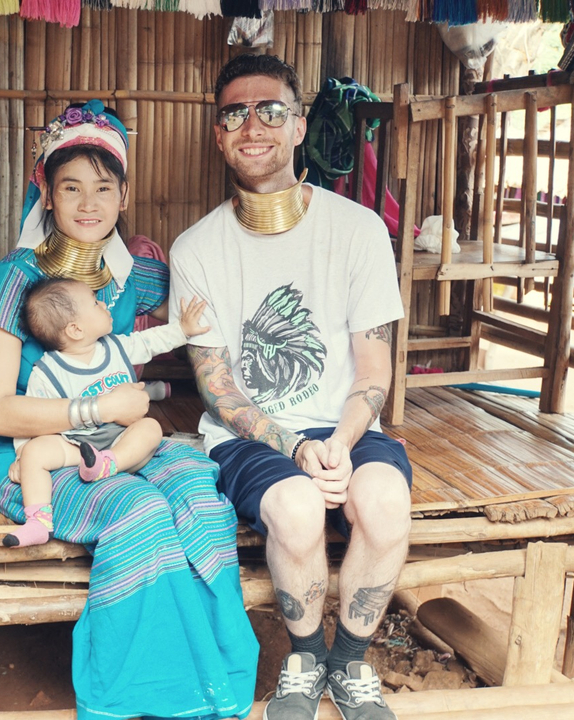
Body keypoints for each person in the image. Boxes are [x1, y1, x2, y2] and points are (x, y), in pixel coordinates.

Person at [0, 100, 257, 719]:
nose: (88, 203)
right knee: (142, 512)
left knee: (199, 494)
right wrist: (96, 406)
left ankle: (218, 676)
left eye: (104, 188)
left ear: (124, 196)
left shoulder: (136, 275)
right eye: (70, 187)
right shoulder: (13, 281)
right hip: (35, 460)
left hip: (118, 442)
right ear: (45, 193)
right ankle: (136, 699)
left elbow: (209, 292)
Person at [169, 55, 412, 720]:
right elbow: (217, 387)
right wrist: (296, 449)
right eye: (234, 113)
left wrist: (337, 442)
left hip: (347, 427)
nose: (253, 125)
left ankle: (348, 662)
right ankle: (305, 655)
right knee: (299, 509)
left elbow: (372, 369)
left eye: (271, 109)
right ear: (218, 134)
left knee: (384, 503)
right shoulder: (195, 250)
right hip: (250, 435)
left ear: (299, 126)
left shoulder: (358, 230)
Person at [3, 277, 210, 548]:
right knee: (36, 451)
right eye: (94, 302)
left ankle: (109, 464)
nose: (103, 303)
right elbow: (30, 420)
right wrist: (22, 456)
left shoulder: (117, 348)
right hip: (76, 444)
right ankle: (38, 522)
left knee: (151, 429)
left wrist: (183, 329)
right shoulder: (47, 372)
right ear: (75, 329)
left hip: (120, 440)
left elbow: (151, 340)